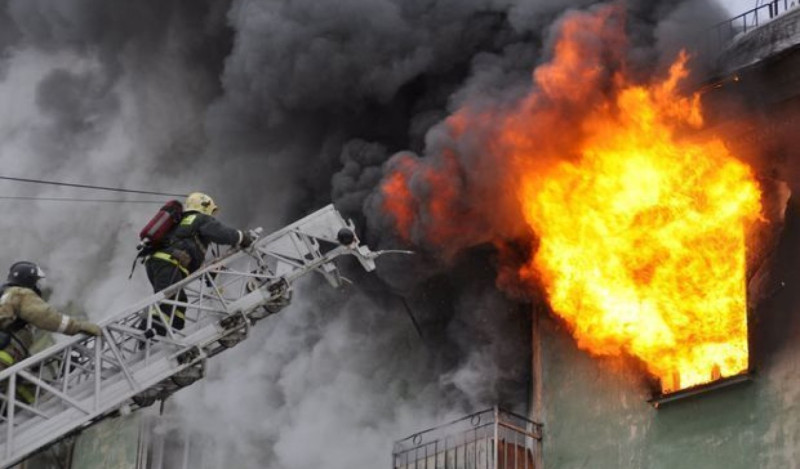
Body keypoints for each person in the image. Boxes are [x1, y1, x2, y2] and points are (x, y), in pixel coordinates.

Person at [143, 192, 253, 334]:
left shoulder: (183, 223)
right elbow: (221, 233)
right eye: (211, 211)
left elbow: (189, 253)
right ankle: (147, 339)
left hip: (162, 262)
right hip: (169, 263)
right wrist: (242, 237)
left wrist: (208, 273)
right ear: (204, 206)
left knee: (178, 304)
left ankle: (171, 333)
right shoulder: (200, 219)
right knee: (166, 303)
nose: (212, 216)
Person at [0, 261, 102, 402]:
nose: (37, 286)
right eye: (36, 282)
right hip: (5, 362)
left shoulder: (4, 295)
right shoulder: (20, 293)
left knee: (19, 395)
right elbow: (48, 318)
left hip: (8, 362)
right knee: (36, 399)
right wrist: (79, 326)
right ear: (28, 281)